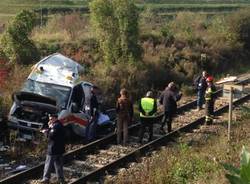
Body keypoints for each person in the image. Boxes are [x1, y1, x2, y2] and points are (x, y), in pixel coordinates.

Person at [40, 114, 65, 184]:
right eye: (49, 119)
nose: (49, 120)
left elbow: (51, 136)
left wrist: (46, 132)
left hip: (53, 149)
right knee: (58, 165)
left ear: (55, 118)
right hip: (60, 149)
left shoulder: (55, 126)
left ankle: (46, 178)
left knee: (48, 165)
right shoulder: (60, 125)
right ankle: (61, 179)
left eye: (51, 119)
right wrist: (49, 128)